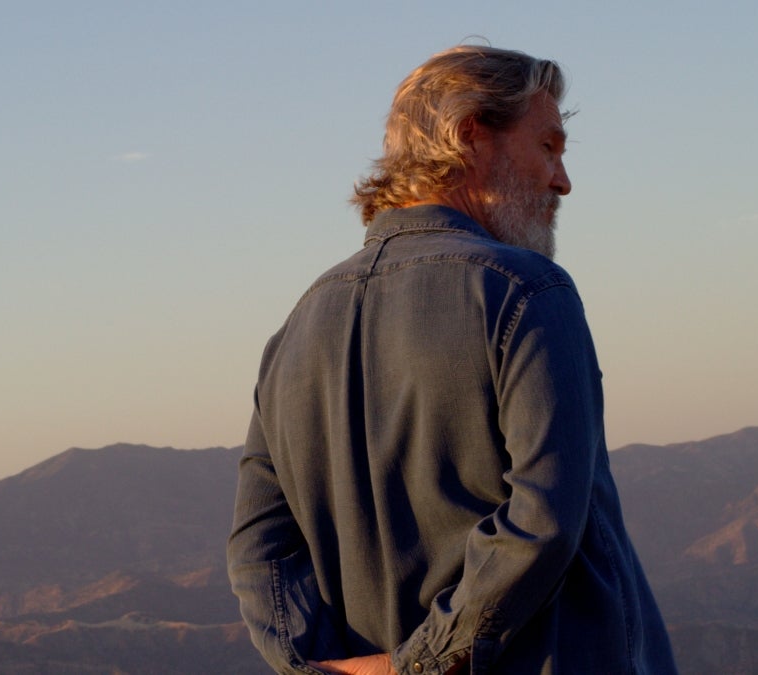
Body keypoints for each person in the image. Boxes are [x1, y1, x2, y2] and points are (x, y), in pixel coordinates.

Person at [227, 45, 677, 674]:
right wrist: (423, 664)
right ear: (472, 137)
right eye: (549, 147)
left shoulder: (298, 327)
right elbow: (543, 518)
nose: (562, 180)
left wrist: (323, 665)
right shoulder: (529, 291)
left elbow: (259, 549)